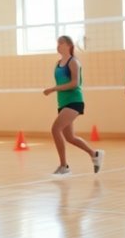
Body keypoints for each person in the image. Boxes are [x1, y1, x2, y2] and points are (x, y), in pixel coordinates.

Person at [43, 35, 104, 175]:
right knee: (70, 137)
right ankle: (94, 154)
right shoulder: (58, 63)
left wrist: (53, 89)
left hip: (74, 101)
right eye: (57, 43)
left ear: (69, 45)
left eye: (61, 43)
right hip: (63, 103)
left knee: (55, 129)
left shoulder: (73, 62)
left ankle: (64, 166)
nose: (58, 46)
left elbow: (74, 83)